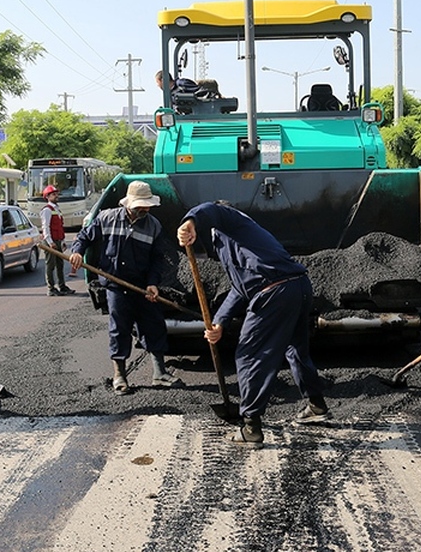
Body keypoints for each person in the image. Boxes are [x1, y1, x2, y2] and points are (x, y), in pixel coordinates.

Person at [177, 201, 331, 447]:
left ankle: (251, 428)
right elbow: (240, 289)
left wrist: (190, 221)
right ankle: (317, 405)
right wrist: (219, 322)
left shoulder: (232, 221)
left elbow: (213, 210)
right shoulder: (242, 241)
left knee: (250, 355)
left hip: (275, 292)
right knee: (296, 349)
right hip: (297, 286)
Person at [68, 181, 177, 394]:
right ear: (128, 204)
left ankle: (159, 373)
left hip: (143, 286)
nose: (144, 210)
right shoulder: (106, 218)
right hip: (116, 285)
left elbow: (158, 258)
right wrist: (77, 251)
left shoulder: (153, 225)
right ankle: (119, 376)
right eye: (140, 206)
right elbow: (84, 237)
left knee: (154, 325)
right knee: (119, 329)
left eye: (147, 206)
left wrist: (153, 283)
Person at [39, 184, 73, 296]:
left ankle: (62, 286)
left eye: (57, 194)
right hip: (51, 241)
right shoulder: (47, 210)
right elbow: (45, 227)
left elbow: (60, 226)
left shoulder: (56, 209)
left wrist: (62, 241)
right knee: (50, 265)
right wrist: (50, 242)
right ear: (47, 197)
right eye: (54, 194)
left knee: (60, 265)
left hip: (57, 240)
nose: (56, 196)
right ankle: (51, 288)